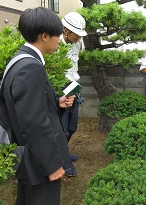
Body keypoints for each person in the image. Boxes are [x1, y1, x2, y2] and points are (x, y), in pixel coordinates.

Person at [3, 7, 75, 205]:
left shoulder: (19, 60)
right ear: (44, 36)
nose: (60, 40)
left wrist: (56, 102)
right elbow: (33, 122)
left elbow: (26, 108)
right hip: (39, 163)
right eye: (58, 35)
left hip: (29, 157)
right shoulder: (30, 67)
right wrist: (51, 165)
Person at [60, 12, 87, 177]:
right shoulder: (54, 45)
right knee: (61, 128)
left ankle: (64, 153)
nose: (79, 37)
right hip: (60, 89)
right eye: (76, 34)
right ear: (65, 30)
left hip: (73, 87)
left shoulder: (77, 43)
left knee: (72, 126)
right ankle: (63, 161)